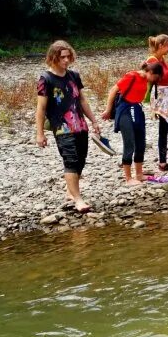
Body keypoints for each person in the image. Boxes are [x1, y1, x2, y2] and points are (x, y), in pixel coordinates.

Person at [35, 40, 102, 213]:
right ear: (53, 58)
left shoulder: (74, 75)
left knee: (80, 160)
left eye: (68, 56)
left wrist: (93, 120)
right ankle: (78, 199)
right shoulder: (46, 79)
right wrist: (40, 133)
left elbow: (82, 99)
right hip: (62, 127)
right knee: (71, 160)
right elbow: (41, 108)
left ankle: (70, 191)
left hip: (80, 125)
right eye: (62, 57)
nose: (66, 60)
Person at [103, 62, 164, 185]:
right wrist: (108, 110)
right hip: (125, 109)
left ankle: (139, 174)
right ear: (151, 73)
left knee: (141, 143)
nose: (155, 81)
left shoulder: (145, 79)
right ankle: (128, 178)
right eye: (156, 78)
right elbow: (113, 90)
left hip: (137, 109)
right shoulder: (132, 76)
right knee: (129, 143)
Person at [145, 34, 168, 174]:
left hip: (165, 96)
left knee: (163, 130)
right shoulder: (153, 60)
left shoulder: (160, 59)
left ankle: (162, 162)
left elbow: (167, 78)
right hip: (160, 99)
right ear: (161, 46)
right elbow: (164, 77)